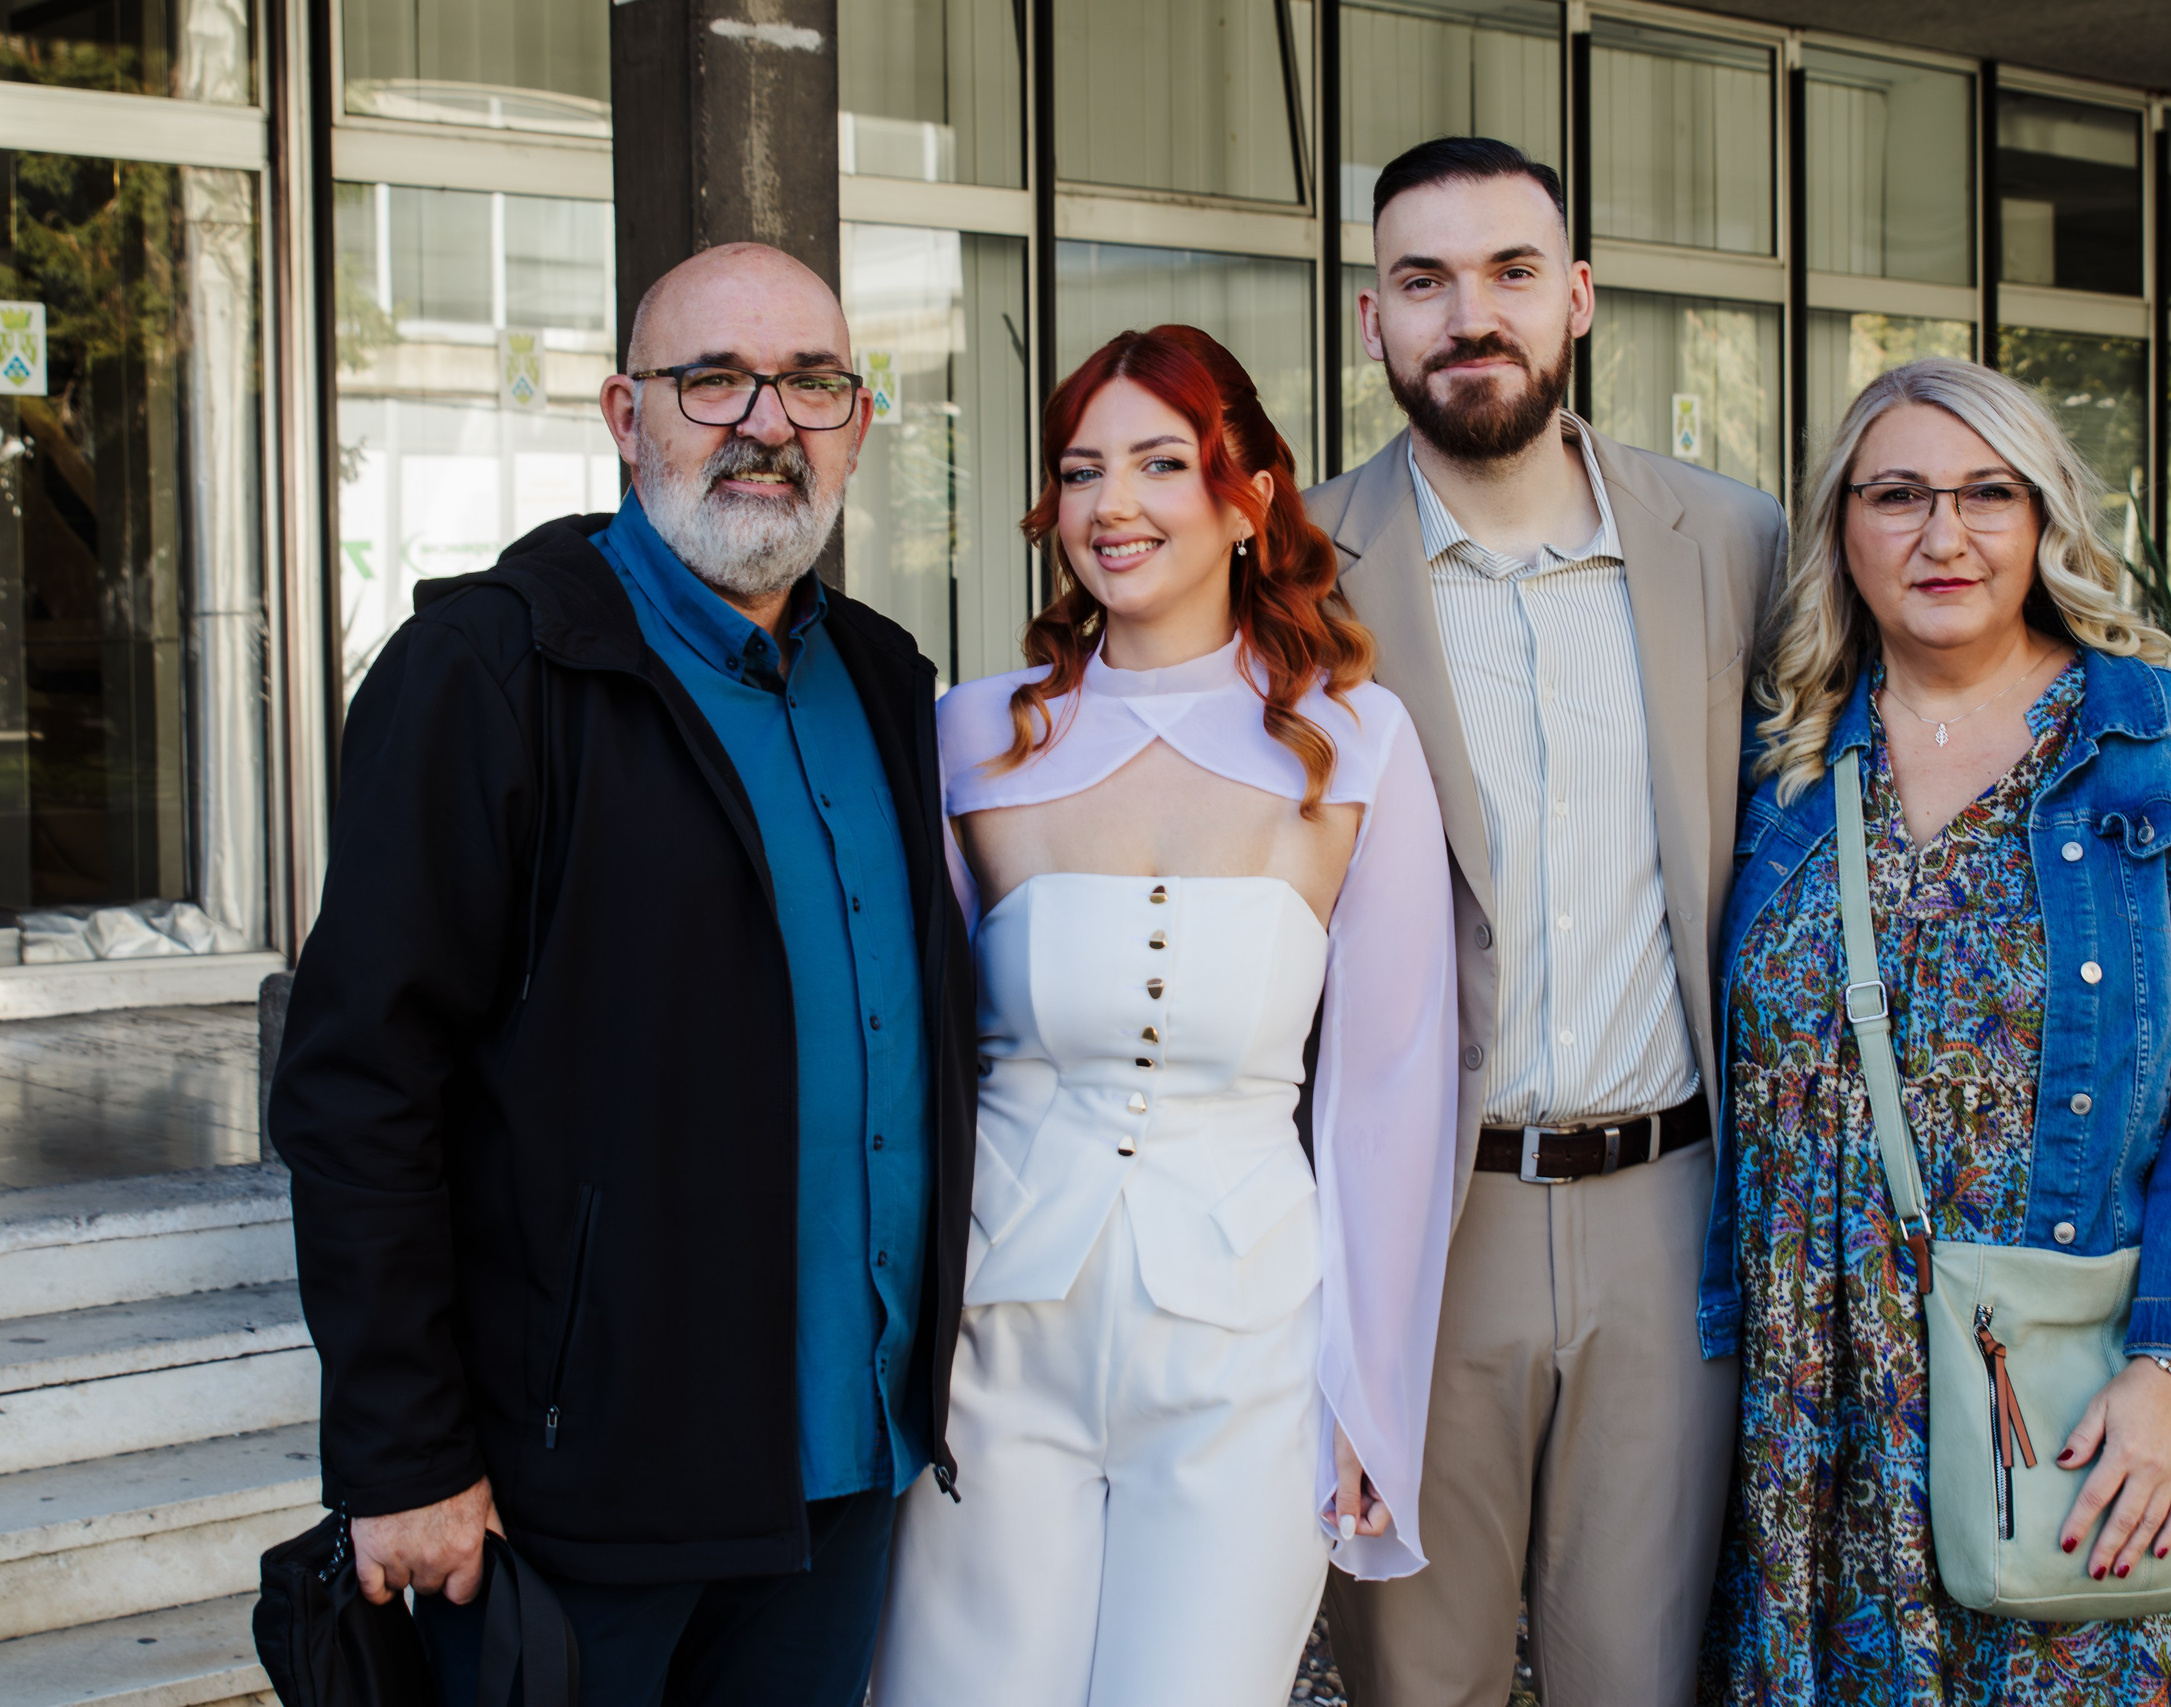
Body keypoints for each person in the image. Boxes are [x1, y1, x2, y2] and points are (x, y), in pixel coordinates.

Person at [269, 241, 976, 1704]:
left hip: (843, 1471)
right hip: (574, 1496)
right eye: (712, 379)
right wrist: (404, 1456)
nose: (765, 422)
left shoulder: (891, 680)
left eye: (814, 383)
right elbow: (359, 1082)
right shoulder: (490, 673)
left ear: (858, 418)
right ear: (621, 412)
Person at [1698, 356, 2171, 1702]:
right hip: (1821, 1395)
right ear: (1840, 529)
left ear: (2043, 520)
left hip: (2066, 1363)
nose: (1944, 535)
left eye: (1988, 493)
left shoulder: (2159, 741)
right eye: (1899, 495)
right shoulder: (1784, 759)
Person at [870, 325, 1460, 1707]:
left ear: (1247, 495)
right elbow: (907, 1062)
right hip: (994, 1344)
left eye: (1158, 462)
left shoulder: (1357, 741)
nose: (1111, 505)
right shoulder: (968, 735)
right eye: (1081, 470)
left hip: (1248, 1349)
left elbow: (1391, 1090)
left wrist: (1373, 1393)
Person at [1303, 138, 1788, 1707]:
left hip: (1668, 1200)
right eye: (1424, 281)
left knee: (1636, 1677)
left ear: (1575, 298)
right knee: (1413, 1677)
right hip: (1421, 1220)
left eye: (1511, 272)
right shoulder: (1291, 569)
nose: (1471, 315)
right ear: (1371, 318)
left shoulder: (1731, 542)